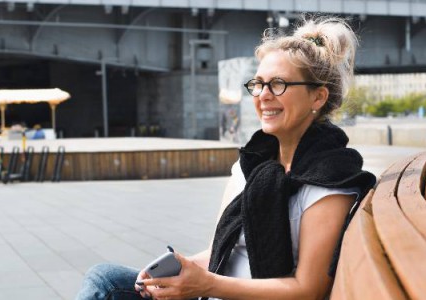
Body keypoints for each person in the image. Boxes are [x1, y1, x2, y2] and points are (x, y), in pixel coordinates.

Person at [76, 16, 376, 300]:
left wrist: (205, 284)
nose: (263, 95)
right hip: (213, 291)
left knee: (105, 285)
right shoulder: (250, 167)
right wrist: (181, 272)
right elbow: (219, 251)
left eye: (279, 84)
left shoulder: (329, 182)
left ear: (318, 97)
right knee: (105, 278)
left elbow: (307, 289)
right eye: (258, 84)